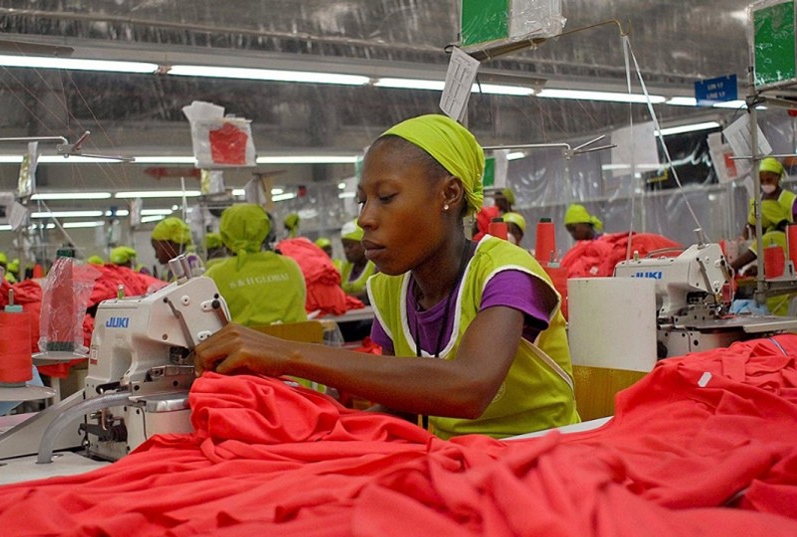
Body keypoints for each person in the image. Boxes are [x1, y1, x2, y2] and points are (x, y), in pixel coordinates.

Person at [195, 114, 579, 439]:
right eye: (363, 200)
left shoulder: (506, 273)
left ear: (449, 194)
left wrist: (286, 355)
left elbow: (468, 387)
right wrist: (317, 430)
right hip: (453, 465)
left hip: (542, 459)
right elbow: (406, 406)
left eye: (386, 197)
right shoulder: (389, 287)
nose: (365, 217)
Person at [205, 203, 308, 327]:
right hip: (296, 343)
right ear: (265, 230)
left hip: (245, 346)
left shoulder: (215, 275)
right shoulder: (290, 266)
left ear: (225, 236)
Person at [729, 157, 797, 274]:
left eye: (769, 180)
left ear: (778, 178)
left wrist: (783, 226)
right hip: (770, 250)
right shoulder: (757, 201)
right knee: (766, 240)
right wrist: (743, 237)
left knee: (769, 238)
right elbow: (751, 223)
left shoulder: (790, 200)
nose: (765, 184)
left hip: (791, 241)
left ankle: (732, 267)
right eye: (762, 181)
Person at [339, 220, 376, 301]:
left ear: (363, 244)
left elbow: (372, 295)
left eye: (350, 246)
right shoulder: (345, 268)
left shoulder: (376, 266)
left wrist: (344, 298)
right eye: (344, 246)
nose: (346, 251)